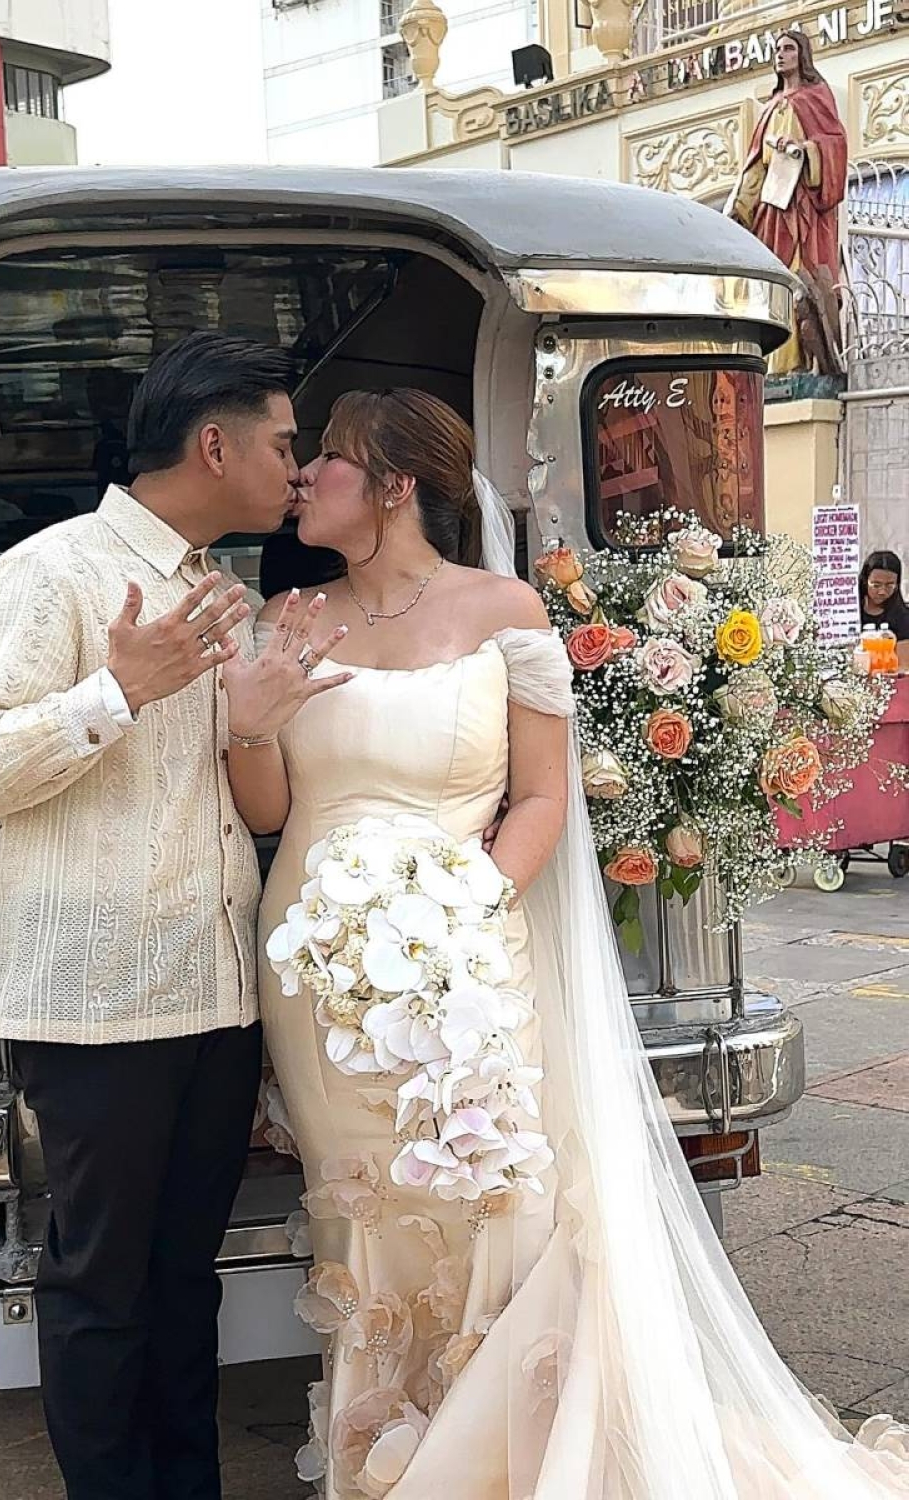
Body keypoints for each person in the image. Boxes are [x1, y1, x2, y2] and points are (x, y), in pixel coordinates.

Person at [224, 387, 909, 1498]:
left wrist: (466, 912)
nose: (303, 478)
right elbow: (265, 809)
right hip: (319, 973)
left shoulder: (506, 615)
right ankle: (388, 1455)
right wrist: (251, 716)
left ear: (396, 485)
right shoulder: (289, 617)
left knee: (504, 1204)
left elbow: (542, 798)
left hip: (471, 957)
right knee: (366, 1218)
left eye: (329, 461)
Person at [0, 332, 349, 1500]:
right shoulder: (53, 573)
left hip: (215, 992)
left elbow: (230, 793)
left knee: (186, 1280)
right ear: (213, 444)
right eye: (282, 444)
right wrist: (118, 690)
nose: (295, 468)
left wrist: (254, 718)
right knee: (98, 1284)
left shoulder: (223, 591)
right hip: (94, 998)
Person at [727, 30, 848, 377]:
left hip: (802, 206)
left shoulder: (817, 97)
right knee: (774, 281)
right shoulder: (768, 109)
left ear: (802, 55)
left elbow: (835, 145)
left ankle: (804, 362)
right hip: (772, 208)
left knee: (804, 283)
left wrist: (803, 151)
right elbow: (755, 166)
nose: (781, 55)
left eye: (789, 49)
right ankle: (775, 363)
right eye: (777, 49)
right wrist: (741, 208)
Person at [859, 548, 909, 640]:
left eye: (889, 585)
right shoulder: (850, 611)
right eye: (876, 585)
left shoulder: (903, 618)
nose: (882, 592)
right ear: (865, 581)